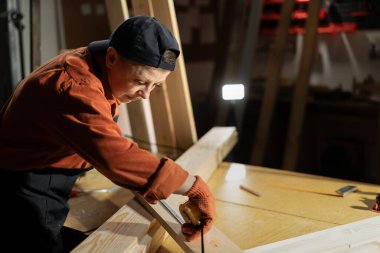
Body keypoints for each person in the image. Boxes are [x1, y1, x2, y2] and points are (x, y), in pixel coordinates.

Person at [0, 15, 216, 253]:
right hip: (26, 179)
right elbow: (116, 157)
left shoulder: (97, 63)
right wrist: (192, 186)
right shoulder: (76, 87)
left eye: (155, 86)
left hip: (42, 167)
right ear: (112, 57)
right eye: (140, 82)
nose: (145, 95)